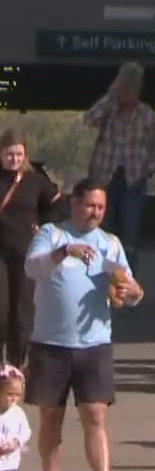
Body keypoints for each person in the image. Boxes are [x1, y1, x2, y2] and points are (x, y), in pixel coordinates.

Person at [23, 180, 144, 471]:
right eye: (90, 205)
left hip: (94, 343)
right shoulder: (52, 234)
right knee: (50, 416)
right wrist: (65, 252)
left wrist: (129, 294)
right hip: (50, 342)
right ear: (75, 203)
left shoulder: (110, 243)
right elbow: (32, 267)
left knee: (95, 414)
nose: (96, 213)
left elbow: (130, 288)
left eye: (101, 207)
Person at [0, 133, 65, 367]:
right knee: (1, 308)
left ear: (25, 155)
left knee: (22, 309)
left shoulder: (35, 180)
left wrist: (45, 226)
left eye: (18, 154)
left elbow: (58, 205)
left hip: (25, 252)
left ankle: (16, 364)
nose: (13, 159)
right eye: (9, 154)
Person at [84, 63, 155, 252]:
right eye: (124, 89)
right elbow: (89, 119)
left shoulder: (146, 114)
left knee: (130, 235)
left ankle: (127, 277)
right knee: (103, 228)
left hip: (134, 180)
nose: (127, 95)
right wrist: (110, 99)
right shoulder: (110, 108)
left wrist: (148, 170)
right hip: (105, 178)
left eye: (132, 90)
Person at [0, 366, 29, 471]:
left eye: (17, 395)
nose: (13, 399)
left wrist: (17, 442)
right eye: (9, 394)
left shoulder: (17, 413)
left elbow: (25, 431)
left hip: (10, 460)